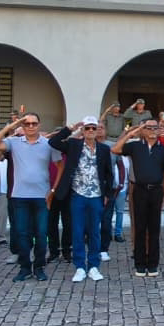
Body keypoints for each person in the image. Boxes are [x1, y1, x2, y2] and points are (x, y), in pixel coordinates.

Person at [0, 111, 58, 283]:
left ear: (39, 125)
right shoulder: (14, 142)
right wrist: (12, 126)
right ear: (22, 126)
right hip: (19, 196)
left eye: (34, 123)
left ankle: (40, 266)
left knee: (41, 234)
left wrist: (53, 190)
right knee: (22, 233)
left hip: (42, 197)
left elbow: (60, 166)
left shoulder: (48, 144)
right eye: (27, 124)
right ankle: (25, 267)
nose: (31, 127)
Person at [48, 116, 114, 282]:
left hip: (96, 195)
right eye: (87, 128)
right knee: (77, 231)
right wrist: (70, 128)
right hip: (78, 194)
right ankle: (79, 266)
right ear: (83, 130)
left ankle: (93, 266)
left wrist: (107, 194)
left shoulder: (104, 149)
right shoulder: (73, 145)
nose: (91, 131)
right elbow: (54, 142)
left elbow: (108, 173)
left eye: (94, 128)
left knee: (94, 232)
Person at [114, 119, 164, 276]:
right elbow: (116, 149)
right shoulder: (135, 146)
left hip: (156, 192)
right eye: (148, 127)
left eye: (155, 127)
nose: (152, 130)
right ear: (143, 130)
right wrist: (132, 133)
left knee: (154, 229)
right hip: (139, 191)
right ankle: (140, 263)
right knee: (139, 228)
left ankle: (153, 264)